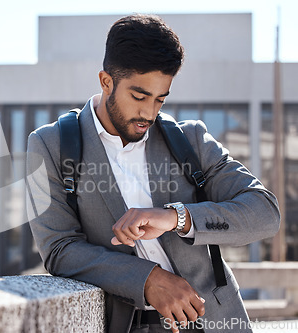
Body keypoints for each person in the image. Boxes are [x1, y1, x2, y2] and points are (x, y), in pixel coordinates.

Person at [26, 14, 280, 333]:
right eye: (139, 96)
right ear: (106, 81)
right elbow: (59, 249)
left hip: (218, 322)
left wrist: (177, 217)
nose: (149, 112)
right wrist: (148, 280)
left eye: (160, 99)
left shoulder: (190, 140)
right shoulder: (49, 145)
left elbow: (265, 212)